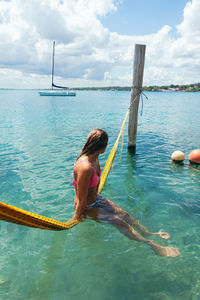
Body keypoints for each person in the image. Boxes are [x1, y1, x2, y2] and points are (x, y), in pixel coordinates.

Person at [72, 129, 180, 257]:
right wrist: (77, 217)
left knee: (125, 215)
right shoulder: (85, 167)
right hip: (86, 206)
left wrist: (100, 201)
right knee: (119, 222)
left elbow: (93, 188)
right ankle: (152, 245)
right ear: (103, 147)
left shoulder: (95, 158)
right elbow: (81, 199)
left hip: (97, 199)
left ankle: (148, 233)